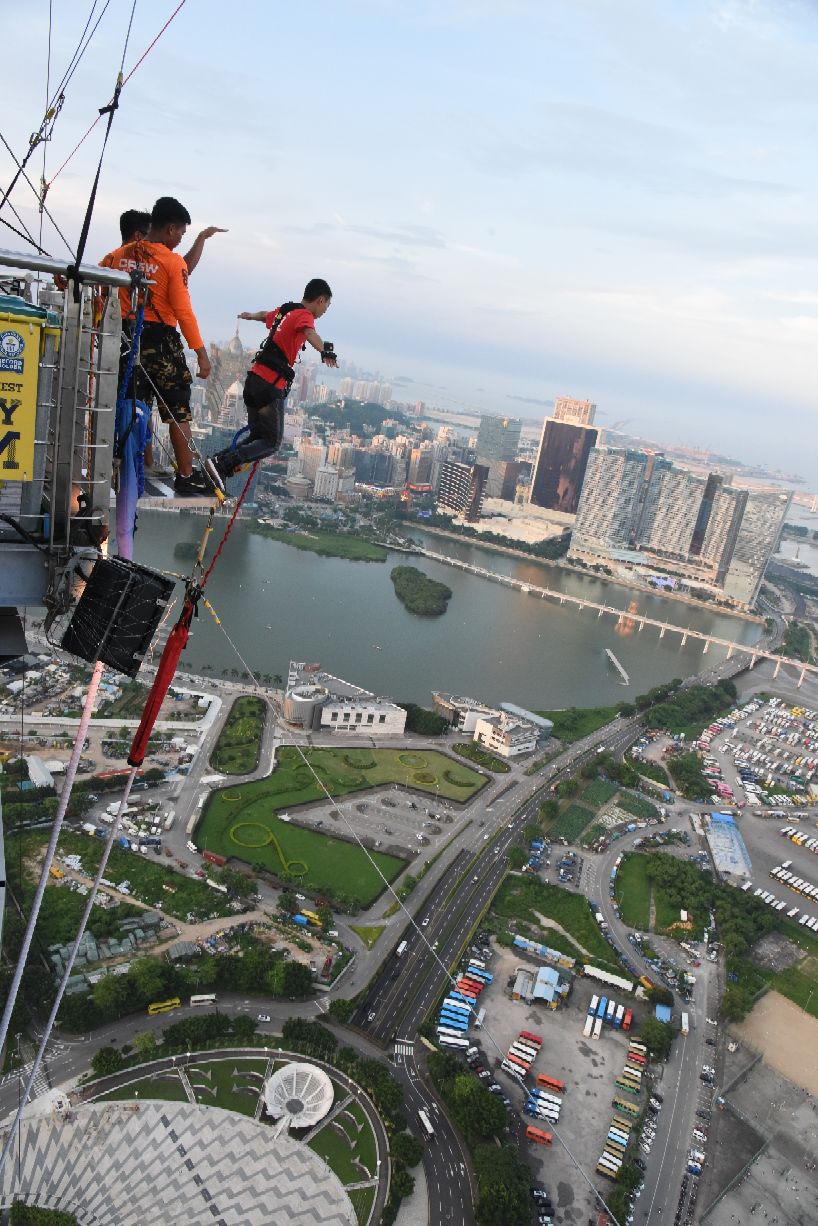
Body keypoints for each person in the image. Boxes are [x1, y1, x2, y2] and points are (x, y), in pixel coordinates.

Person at [102, 196, 213, 495]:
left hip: (125, 339)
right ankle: (187, 476)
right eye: (180, 234)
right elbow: (183, 310)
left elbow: (99, 285)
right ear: (170, 228)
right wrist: (201, 353)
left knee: (131, 405)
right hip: (160, 343)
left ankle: (121, 470)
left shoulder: (118, 256)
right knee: (176, 408)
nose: (178, 240)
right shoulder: (170, 261)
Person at [204, 278, 337, 491]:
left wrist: (249, 316)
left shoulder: (286, 311)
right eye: (326, 306)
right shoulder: (304, 316)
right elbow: (310, 333)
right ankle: (223, 464)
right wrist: (325, 351)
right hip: (269, 385)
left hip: (253, 381)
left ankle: (216, 463)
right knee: (272, 442)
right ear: (320, 300)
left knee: (257, 438)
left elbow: (265, 315)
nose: (323, 312)